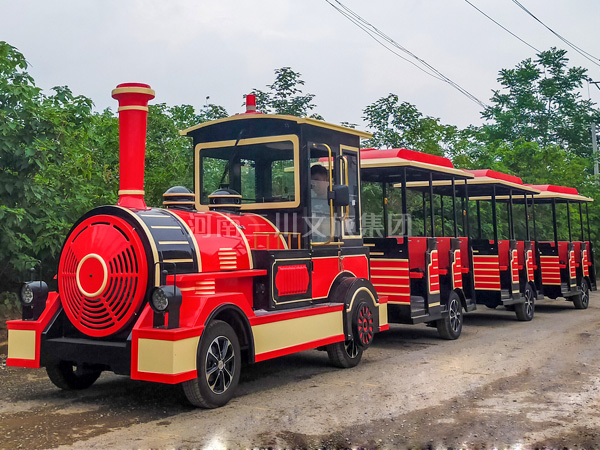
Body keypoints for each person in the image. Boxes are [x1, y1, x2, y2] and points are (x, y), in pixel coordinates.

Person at [310, 164, 331, 242]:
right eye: (312, 182)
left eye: (317, 180)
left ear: (326, 180)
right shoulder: (309, 202)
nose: (315, 184)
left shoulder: (335, 202)